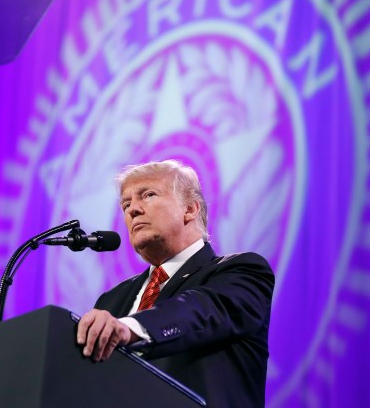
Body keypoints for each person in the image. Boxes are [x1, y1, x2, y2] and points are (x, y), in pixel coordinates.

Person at [76, 160, 274, 407]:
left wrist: (131, 328)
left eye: (148, 195)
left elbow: (202, 309)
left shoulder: (241, 271)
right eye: (126, 204)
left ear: (190, 209)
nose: (132, 210)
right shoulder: (111, 300)